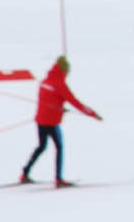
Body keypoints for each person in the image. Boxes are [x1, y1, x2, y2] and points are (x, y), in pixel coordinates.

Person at [21, 57, 101, 188]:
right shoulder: (60, 85)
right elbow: (76, 103)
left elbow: (48, 99)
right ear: (64, 70)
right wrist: (92, 114)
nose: (68, 73)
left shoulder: (45, 81)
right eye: (68, 71)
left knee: (41, 146)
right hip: (52, 122)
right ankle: (58, 179)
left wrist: (59, 108)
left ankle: (24, 173)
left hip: (40, 120)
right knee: (59, 147)